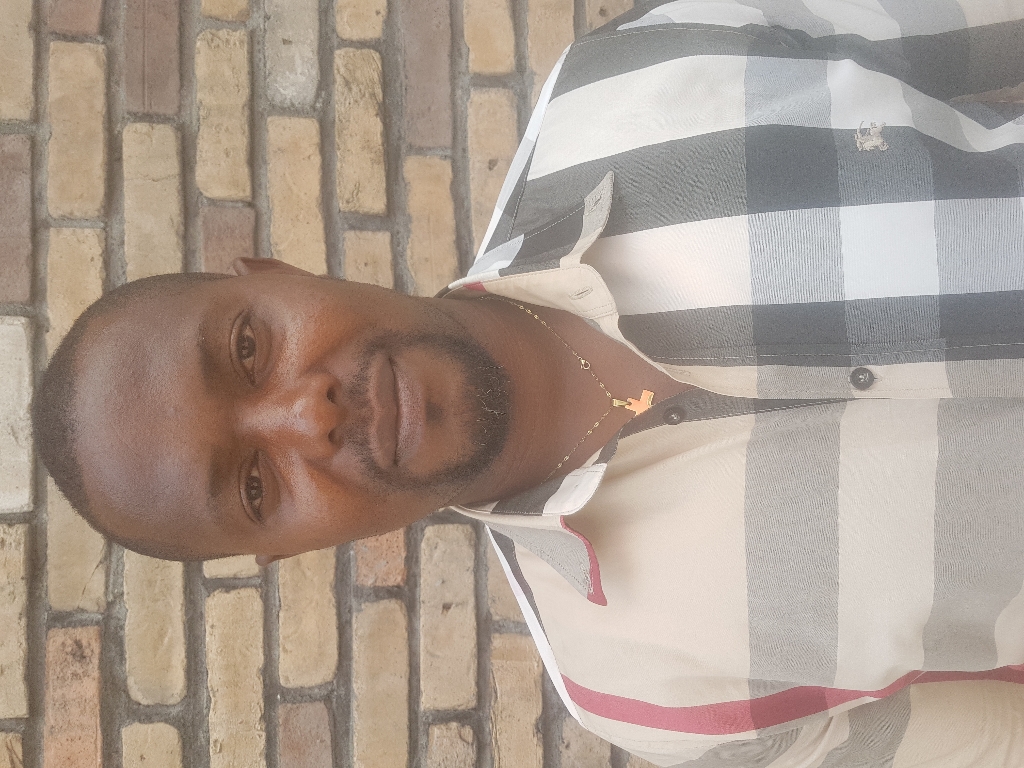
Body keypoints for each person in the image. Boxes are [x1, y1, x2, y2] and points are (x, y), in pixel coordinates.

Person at [32, 1, 1024, 765]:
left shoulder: (634, 86)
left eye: (249, 348)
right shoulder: (651, 696)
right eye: (255, 484)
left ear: (276, 273)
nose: (305, 414)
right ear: (292, 549)